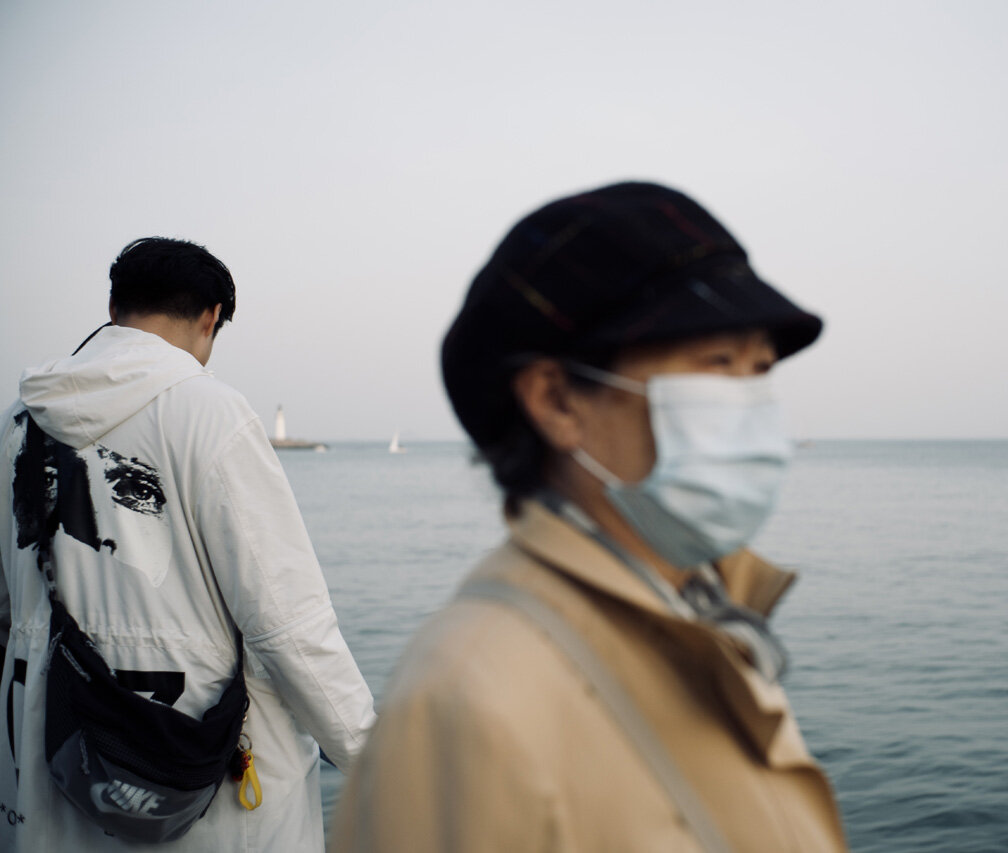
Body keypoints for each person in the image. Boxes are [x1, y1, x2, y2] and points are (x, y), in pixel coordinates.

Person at [333, 182, 847, 851]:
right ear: (557, 401)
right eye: (719, 364)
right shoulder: (470, 698)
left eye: (759, 370)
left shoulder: (704, 615)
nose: (751, 403)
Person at [0, 237, 377, 851]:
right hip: (196, 779)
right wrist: (375, 763)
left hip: (47, 756)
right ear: (210, 319)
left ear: (116, 306)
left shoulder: (20, 419)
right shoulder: (209, 411)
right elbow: (287, 625)